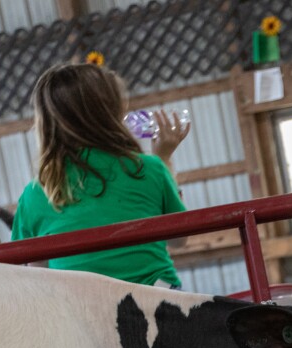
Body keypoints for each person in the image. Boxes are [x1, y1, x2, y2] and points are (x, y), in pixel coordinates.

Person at [12, 62, 190, 288]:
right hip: (158, 303)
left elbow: (39, 275)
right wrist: (164, 158)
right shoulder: (149, 168)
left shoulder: (37, 193)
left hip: (83, 312)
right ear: (111, 113)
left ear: (46, 123)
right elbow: (179, 240)